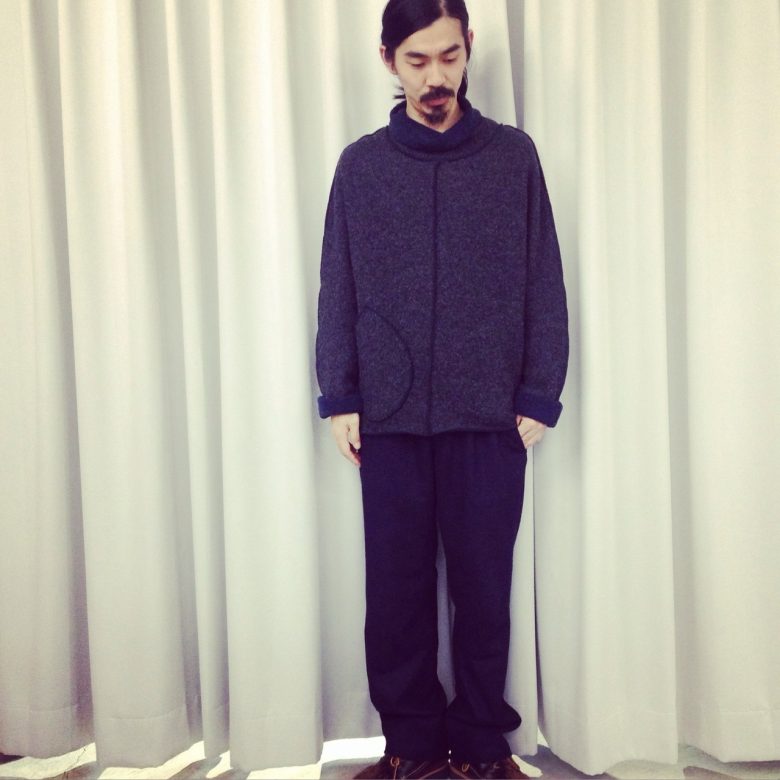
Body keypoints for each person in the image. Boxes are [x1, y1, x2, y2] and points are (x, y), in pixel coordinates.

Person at [315, 1, 569, 777]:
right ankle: (413, 751)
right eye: (418, 60)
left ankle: (485, 750)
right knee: (395, 597)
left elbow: (543, 278)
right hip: (388, 421)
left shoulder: (512, 157)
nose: (436, 77)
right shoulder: (361, 166)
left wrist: (539, 391)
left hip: (490, 417)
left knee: (485, 595)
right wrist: (340, 394)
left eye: (449, 56)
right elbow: (337, 284)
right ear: (389, 59)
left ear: (469, 49)